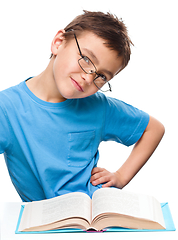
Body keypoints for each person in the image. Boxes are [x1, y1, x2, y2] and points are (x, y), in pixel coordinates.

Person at [0, 10, 165, 202]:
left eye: (102, 76)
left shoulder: (99, 108)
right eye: (86, 59)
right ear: (58, 43)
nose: (88, 78)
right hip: (41, 224)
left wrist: (120, 177)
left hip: (93, 218)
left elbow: (153, 129)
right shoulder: (7, 108)